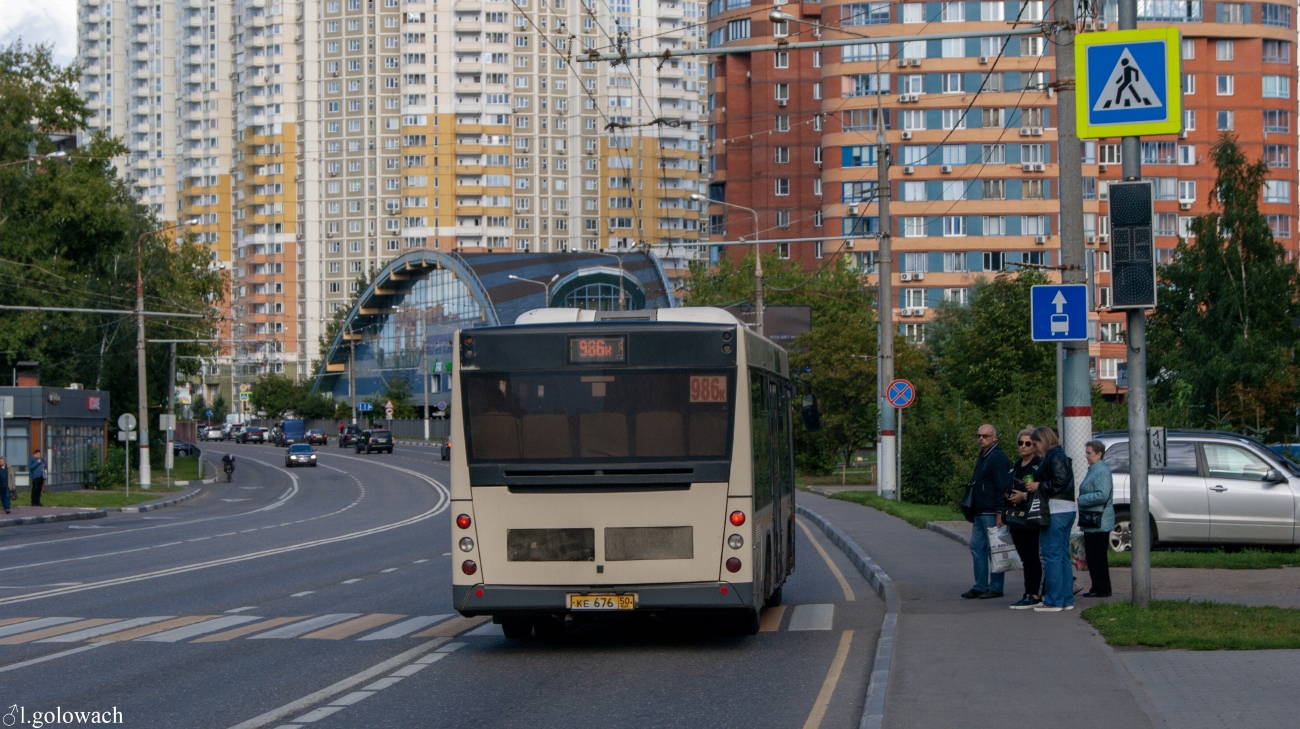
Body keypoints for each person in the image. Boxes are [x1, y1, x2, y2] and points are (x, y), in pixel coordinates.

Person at [1025, 427, 1076, 612]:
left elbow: (1059, 481)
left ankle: (1054, 600)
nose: (1035, 448)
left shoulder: (1054, 456)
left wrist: (1040, 485)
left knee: (1050, 555)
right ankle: (1066, 598)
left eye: (1035, 443)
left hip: (1055, 510)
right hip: (1067, 509)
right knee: (1062, 555)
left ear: (1044, 440)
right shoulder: (1060, 455)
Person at [962, 424, 1012, 600]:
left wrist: (1000, 511)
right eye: (978, 436)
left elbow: (1002, 486)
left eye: (985, 436)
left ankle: (996, 586)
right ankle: (980, 585)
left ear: (994, 438)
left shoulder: (997, 457)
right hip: (979, 510)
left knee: (995, 550)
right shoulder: (983, 456)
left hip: (991, 511)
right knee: (977, 547)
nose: (980, 439)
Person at [999, 427, 1043, 609]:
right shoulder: (1016, 465)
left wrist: (1023, 496)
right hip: (1014, 515)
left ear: (1035, 446)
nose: (1023, 447)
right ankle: (1028, 591)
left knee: (1032, 555)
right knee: (1024, 556)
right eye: (1020, 443)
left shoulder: (1038, 466)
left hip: (1030, 515)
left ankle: (1033, 593)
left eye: (1028, 444)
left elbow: (1041, 490)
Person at [1078, 440, 1115, 598]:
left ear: (1099, 454)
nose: (1086, 456)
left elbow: (1102, 494)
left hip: (1099, 521)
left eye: (1089, 453)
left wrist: (1082, 499)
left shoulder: (1102, 471)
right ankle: (1097, 586)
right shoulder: (1094, 470)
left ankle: (1102, 588)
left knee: (1098, 556)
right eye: (1086, 452)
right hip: (1092, 520)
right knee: (1093, 557)